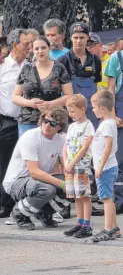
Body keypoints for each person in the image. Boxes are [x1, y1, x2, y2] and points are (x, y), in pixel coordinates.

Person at [0, 28, 32, 219]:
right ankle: (6, 204)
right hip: (7, 122)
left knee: (28, 163)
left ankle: (27, 203)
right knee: (5, 164)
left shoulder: (31, 66)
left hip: (28, 121)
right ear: (14, 45)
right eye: (26, 44)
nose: (29, 47)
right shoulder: (0, 67)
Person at [3, 107, 68, 230]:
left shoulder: (62, 138)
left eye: (53, 123)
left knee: (74, 186)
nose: (47, 125)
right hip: (17, 181)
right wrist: (62, 184)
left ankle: (44, 213)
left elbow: (65, 164)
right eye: (45, 120)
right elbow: (34, 172)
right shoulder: (30, 137)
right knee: (48, 189)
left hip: (38, 180)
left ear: (60, 127)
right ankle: (18, 213)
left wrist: (73, 182)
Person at [12, 35, 73, 137]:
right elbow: (15, 97)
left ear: (49, 48)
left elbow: (69, 96)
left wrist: (49, 104)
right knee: (28, 152)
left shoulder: (59, 68)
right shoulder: (26, 69)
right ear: (32, 50)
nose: (40, 51)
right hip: (28, 121)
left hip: (53, 121)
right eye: (37, 48)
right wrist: (29, 103)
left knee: (53, 152)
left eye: (43, 48)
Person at [58, 22, 102, 129]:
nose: (78, 41)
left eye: (82, 37)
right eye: (75, 37)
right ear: (70, 38)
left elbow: (96, 85)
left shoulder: (95, 60)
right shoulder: (62, 61)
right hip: (70, 114)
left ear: (87, 37)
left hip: (91, 112)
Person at [63, 94, 95, 238]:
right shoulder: (71, 127)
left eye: (73, 111)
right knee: (76, 195)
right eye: (69, 112)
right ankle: (79, 223)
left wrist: (72, 162)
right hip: (70, 166)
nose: (71, 115)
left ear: (82, 110)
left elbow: (84, 148)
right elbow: (65, 145)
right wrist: (65, 162)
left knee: (84, 195)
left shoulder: (88, 126)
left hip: (82, 165)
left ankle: (87, 225)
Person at [90, 91, 121, 241]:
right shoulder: (108, 123)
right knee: (109, 197)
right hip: (108, 166)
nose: (93, 110)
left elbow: (108, 147)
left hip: (106, 167)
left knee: (106, 199)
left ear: (102, 109)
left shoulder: (107, 125)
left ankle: (108, 229)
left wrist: (100, 166)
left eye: (94, 107)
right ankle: (114, 228)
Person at [105, 47, 123, 215]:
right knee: (120, 160)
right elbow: (111, 89)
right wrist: (113, 114)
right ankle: (119, 200)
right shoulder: (117, 58)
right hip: (120, 110)